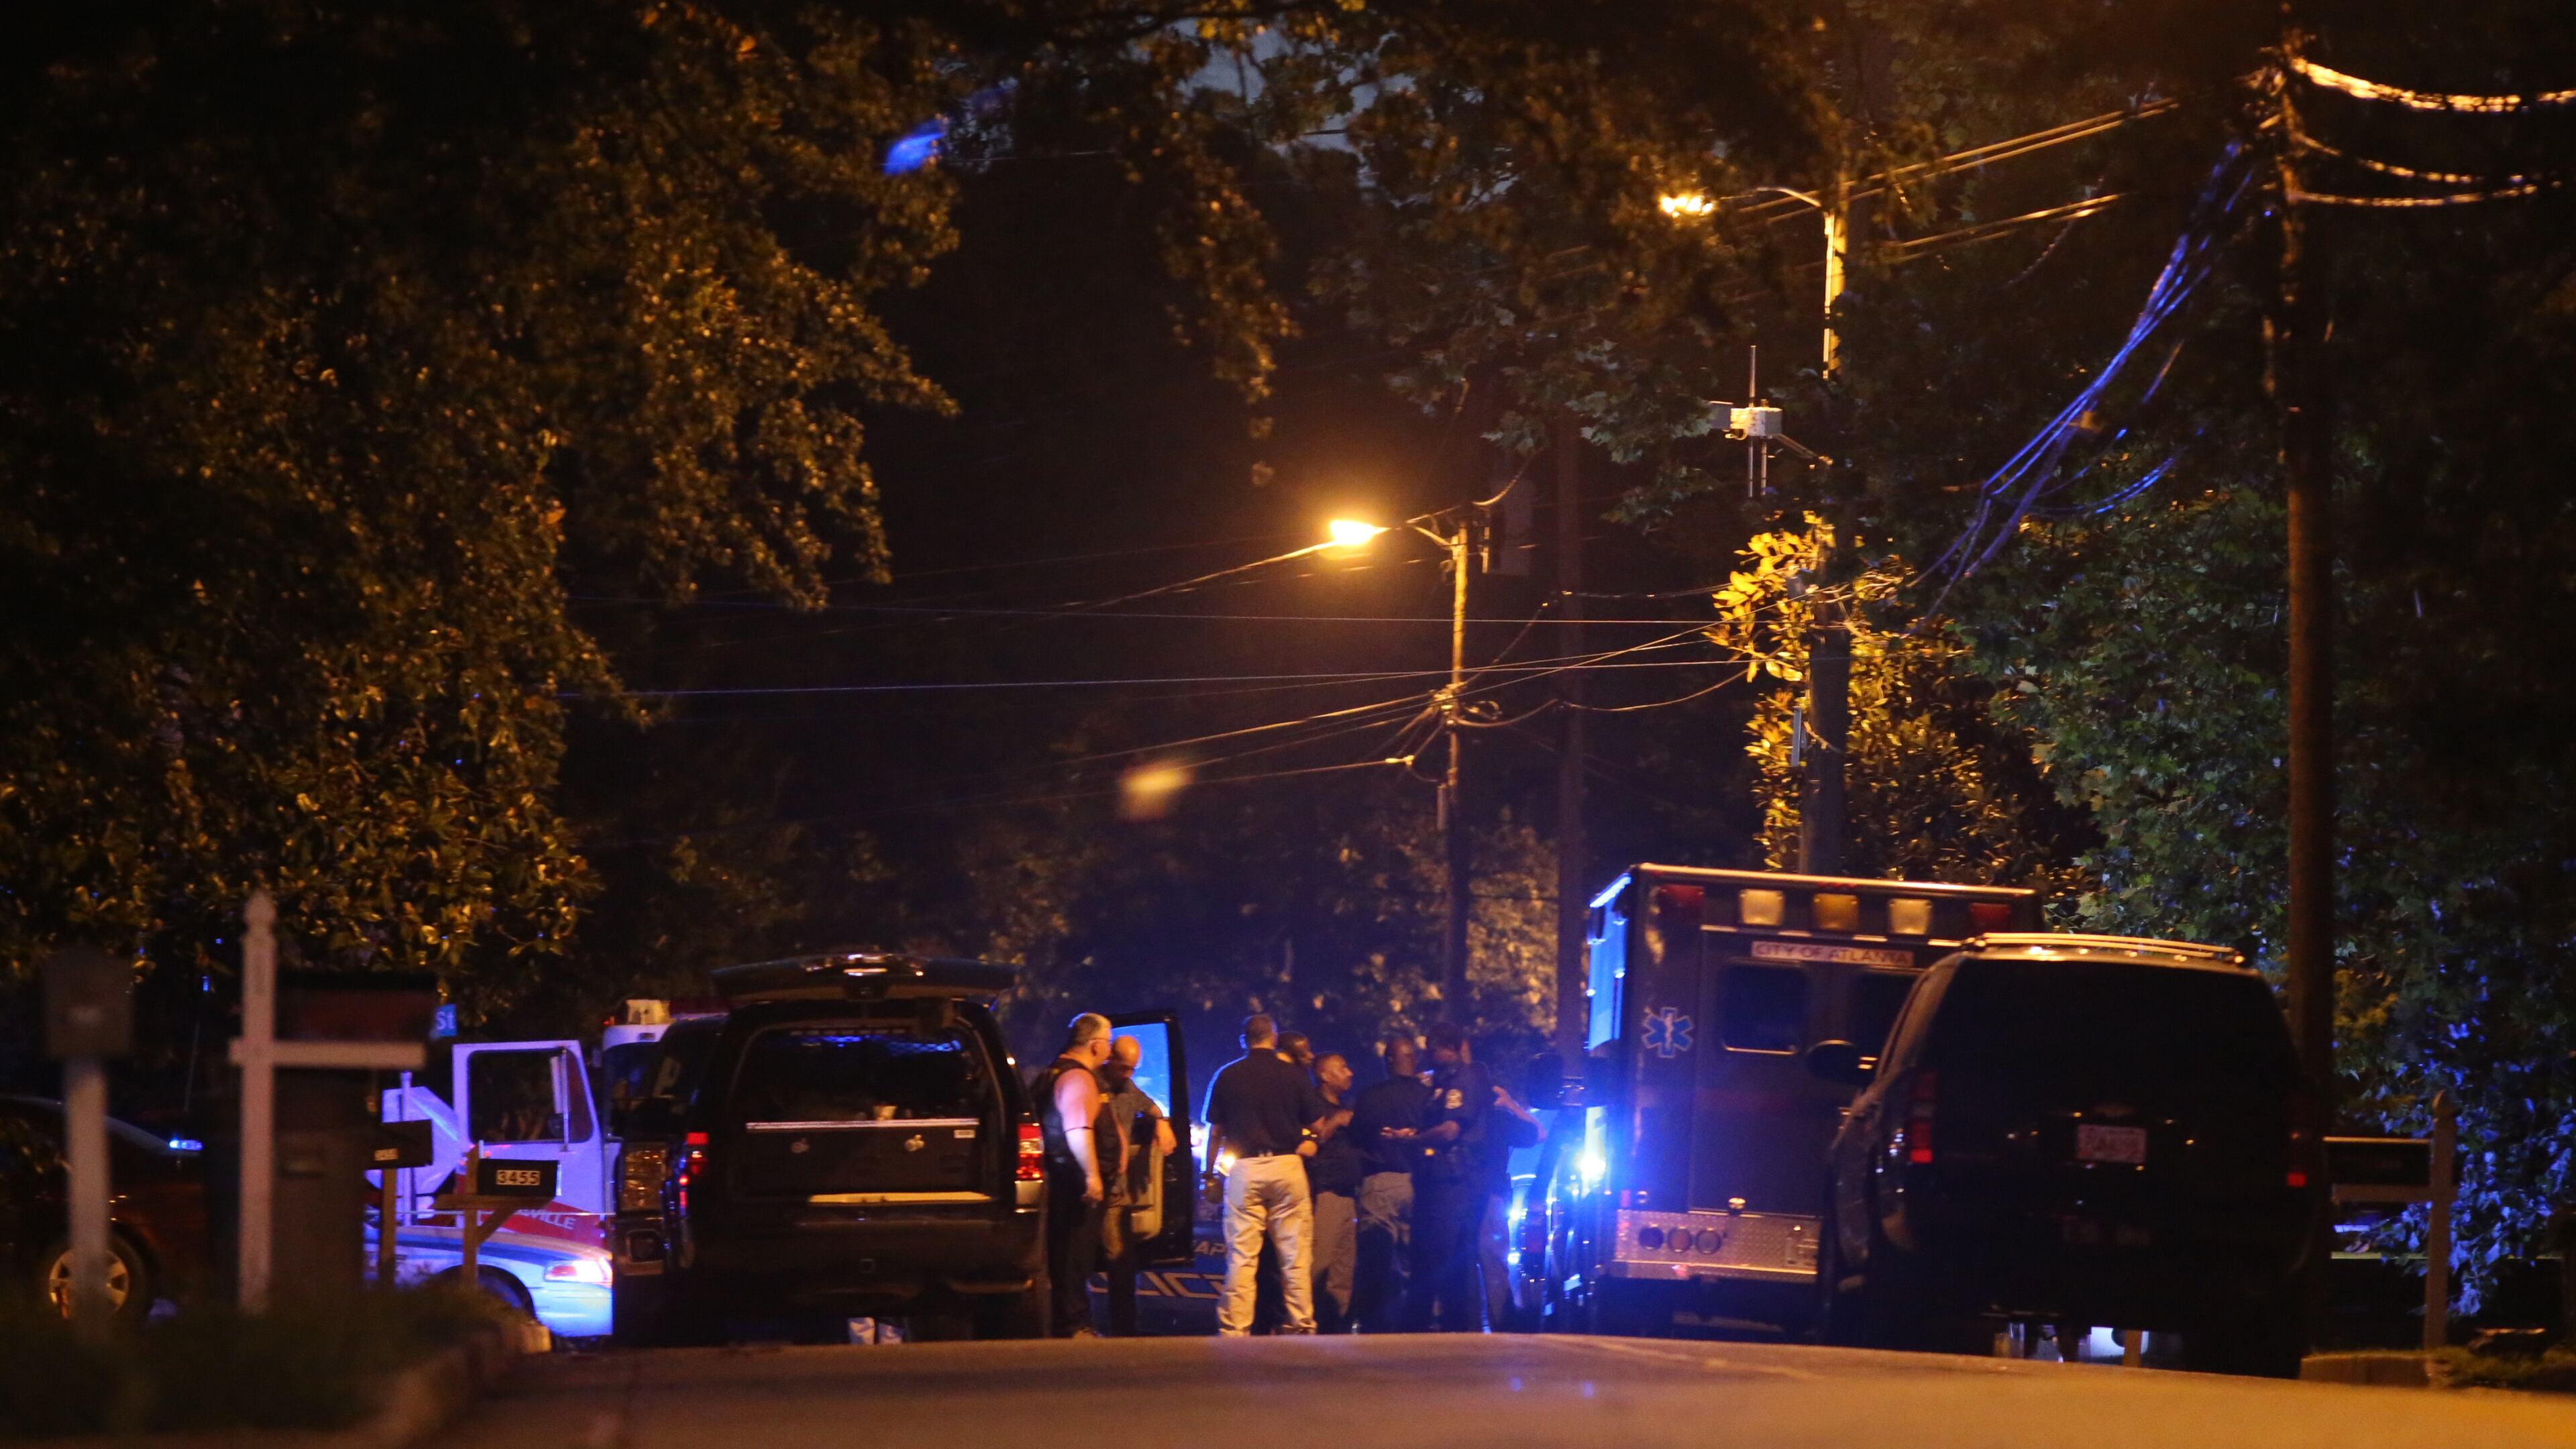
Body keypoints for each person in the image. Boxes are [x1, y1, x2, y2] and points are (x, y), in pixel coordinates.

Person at [1201, 1014, 1332, 1336]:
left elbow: (1214, 1132)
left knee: (1242, 1255)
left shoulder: (1227, 1075)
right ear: (1274, 1039)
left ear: (1244, 1040)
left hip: (1245, 1169)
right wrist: (1311, 1140)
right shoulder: (1292, 1075)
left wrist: (1209, 1175)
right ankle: (1302, 1322)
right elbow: (1317, 1126)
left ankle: (1235, 1328)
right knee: (1294, 1254)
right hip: (1287, 1165)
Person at [1403, 1021, 1493, 1332]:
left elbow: (1451, 1129)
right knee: (1442, 1254)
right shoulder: (1441, 1082)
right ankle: (1453, 1326)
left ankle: (1454, 1327)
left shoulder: (1462, 1081)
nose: (1427, 1054)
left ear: (1450, 1049)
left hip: (1455, 1181)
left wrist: (1414, 1140)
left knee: (1442, 1253)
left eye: (1433, 1048)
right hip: (1440, 1178)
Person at [1036, 1012, 1114, 1337]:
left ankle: (1070, 1320)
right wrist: (1093, 1176)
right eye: (1108, 1042)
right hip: (1074, 1183)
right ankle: (1073, 1324)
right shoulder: (1077, 1078)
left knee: (1069, 1255)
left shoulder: (1053, 1072)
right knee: (1073, 1256)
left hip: (1063, 1178)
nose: (1109, 1050)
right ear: (1095, 1046)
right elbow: (1078, 1129)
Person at [1349, 1032, 1432, 1332]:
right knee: (1415, 1257)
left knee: (1377, 1257)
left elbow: (1356, 1135)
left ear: (1388, 1061)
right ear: (1415, 1060)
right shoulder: (1428, 1097)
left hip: (1382, 1180)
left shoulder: (1372, 1096)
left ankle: (1376, 1325)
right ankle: (1415, 1324)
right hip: (1421, 1184)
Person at [1097, 1034, 1177, 1336]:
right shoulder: (1092, 1084)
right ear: (1110, 1059)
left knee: (1122, 1262)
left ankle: (1125, 1329)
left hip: (1117, 1191)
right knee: (1079, 1261)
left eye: (1133, 1069)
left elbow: (1150, 1106)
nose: (1129, 1075)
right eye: (1124, 1068)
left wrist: (1162, 1123)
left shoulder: (1127, 1088)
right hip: (1092, 1186)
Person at [1476, 1079, 1546, 1330]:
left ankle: (1461, 1322)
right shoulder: (1497, 1120)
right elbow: (1540, 1133)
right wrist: (1512, 1104)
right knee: (1494, 1263)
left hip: (1453, 1197)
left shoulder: (1453, 1115)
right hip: (1491, 1198)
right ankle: (1501, 1324)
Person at [1305, 1052, 1363, 1331]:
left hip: (1349, 1195)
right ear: (1325, 1076)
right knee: (1319, 1264)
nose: (1350, 1073)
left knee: (1343, 1268)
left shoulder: (1347, 1106)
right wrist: (1335, 1122)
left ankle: (1336, 1327)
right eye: (1342, 1068)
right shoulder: (1311, 1104)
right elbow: (1308, 1142)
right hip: (1325, 1193)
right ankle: (1309, 1322)